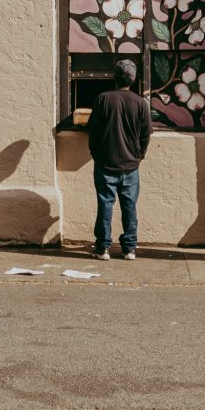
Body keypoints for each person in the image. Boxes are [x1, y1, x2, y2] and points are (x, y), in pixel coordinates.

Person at [86, 59, 151, 261]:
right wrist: (140, 155)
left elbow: (93, 130)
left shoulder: (103, 98)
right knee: (129, 207)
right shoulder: (141, 103)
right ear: (133, 80)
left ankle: (103, 248)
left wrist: (95, 153)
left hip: (105, 163)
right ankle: (129, 249)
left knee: (105, 205)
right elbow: (146, 133)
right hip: (131, 165)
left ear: (115, 77)